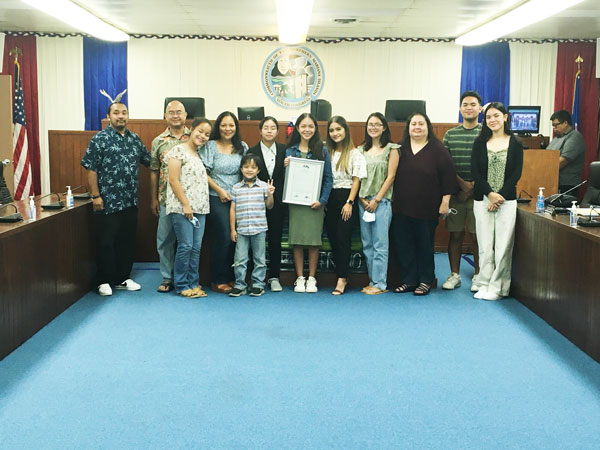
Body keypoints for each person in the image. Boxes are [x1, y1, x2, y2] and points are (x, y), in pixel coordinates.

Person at [81, 101, 150, 296]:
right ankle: (103, 280)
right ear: (109, 116)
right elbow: (91, 168)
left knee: (126, 241)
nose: (121, 116)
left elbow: (149, 160)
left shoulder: (134, 139)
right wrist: (96, 196)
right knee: (106, 242)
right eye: (116, 113)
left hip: (129, 200)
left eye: (124, 113)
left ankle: (122, 278)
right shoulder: (100, 139)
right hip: (107, 201)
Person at [392, 112, 457, 296]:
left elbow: (448, 177)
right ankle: (409, 280)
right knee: (404, 245)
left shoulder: (438, 149)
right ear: (408, 127)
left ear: (428, 127)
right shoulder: (400, 148)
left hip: (427, 208)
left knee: (424, 246)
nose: (417, 127)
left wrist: (445, 202)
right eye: (414, 124)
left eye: (421, 123)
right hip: (401, 207)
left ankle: (425, 280)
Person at [471, 102, 523, 301]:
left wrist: (499, 196)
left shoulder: (515, 143)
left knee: (503, 246)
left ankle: (498, 287)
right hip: (482, 199)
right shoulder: (479, 142)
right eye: (488, 117)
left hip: (506, 201)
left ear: (505, 117)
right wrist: (489, 194)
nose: (492, 120)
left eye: (496, 116)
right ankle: (484, 283)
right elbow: (475, 171)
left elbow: (516, 173)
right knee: (485, 244)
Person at [198, 111, 248, 294]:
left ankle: (232, 277)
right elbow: (203, 172)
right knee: (225, 236)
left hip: (238, 198)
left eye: (231, 125)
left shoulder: (242, 146)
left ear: (236, 127)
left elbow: (248, 170)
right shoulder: (210, 146)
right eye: (224, 125)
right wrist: (219, 190)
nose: (228, 129)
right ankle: (218, 280)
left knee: (237, 239)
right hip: (215, 196)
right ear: (218, 127)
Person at [285, 113, 333, 293]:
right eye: (303, 126)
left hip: (315, 203)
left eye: (310, 126)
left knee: (314, 242)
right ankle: (300, 278)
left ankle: (312, 278)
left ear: (315, 129)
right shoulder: (290, 151)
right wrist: (286, 166)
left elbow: (328, 179)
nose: (307, 130)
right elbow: (285, 179)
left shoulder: (322, 150)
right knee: (297, 241)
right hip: (296, 202)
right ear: (297, 128)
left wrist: (322, 201)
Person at [166, 118, 211, 298]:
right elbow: (173, 180)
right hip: (182, 208)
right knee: (185, 246)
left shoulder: (198, 154)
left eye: (207, 134)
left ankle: (193, 283)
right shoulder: (178, 150)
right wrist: (185, 204)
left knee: (196, 247)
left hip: (200, 208)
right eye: (200, 131)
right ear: (191, 130)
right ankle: (182, 284)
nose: (203, 136)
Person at [442, 90, 482, 291]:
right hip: (456, 194)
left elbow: (488, 164)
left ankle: (479, 276)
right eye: (465, 104)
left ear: (480, 108)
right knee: (455, 235)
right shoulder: (450, 134)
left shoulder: (486, 133)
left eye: (473, 104)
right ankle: (454, 275)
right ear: (460, 109)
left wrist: (473, 186)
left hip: (480, 195)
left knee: (477, 237)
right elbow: (445, 165)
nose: (469, 108)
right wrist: (462, 185)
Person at [150, 100, 190, 293]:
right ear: (165, 116)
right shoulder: (158, 141)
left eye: (179, 112)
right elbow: (154, 171)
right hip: (166, 198)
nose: (175, 115)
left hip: (190, 199)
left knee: (188, 242)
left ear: (185, 115)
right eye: (171, 112)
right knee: (165, 240)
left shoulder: (194, 137)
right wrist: (153, 198)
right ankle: (167, 278)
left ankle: (187, 277)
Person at [357, 112, 399, 295]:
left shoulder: (392, 149)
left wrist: (376, 200)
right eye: (370, 124)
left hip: (381, 202)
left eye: (377, 124)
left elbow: (391, 176)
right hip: (363, 202)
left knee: (380, 244)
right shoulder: (360, 150)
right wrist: (362, 199)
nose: (373, 127)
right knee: (367, 244)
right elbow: (357, 177)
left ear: (384, 127)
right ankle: (372, 281)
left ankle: (380, 284)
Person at [325, 115, 366, 295]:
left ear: (345, 130)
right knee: (333, 238)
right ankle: (341, 273)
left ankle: (342, 278)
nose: (335, 133)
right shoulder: (327, 152)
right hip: (329, 199)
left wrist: (349, 202)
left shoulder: (355, 153)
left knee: (343, 239)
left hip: (346, 199)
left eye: (338, 129)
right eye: (332, 130)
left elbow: (356, 180)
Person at [247, 117, 286, 292]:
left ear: (277, 131)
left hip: (277, 201)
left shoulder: (284, 151)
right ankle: (255, 278)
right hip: (255, 201)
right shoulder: (252, 151)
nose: (269, 131)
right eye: (266, 127)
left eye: (273, 128)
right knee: (255, 240)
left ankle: (274, 277)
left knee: (275, 239)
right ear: (260, 130)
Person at [229, 154, 276, 297]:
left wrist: (270, 194)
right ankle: (239, 285)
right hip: (242, 229)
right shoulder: (236, 188)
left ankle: (257, 284)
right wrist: (233, 229)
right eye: (246, 167)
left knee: (260, 259)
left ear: (258, 170)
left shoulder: (264, 186)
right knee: (240, 260)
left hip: (259, 228)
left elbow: (270, 206)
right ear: (241, 169)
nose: (249, 170)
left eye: (253, 167)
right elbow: (232, 209)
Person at [547, 110, 586, 196]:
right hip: (552, 182)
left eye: (556, 125)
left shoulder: (575, 137)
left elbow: (562, 161)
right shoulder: (556, 138)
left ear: (565, 123)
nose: (554, 128)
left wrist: (543, 168)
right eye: (553, 126)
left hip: (567, 186)